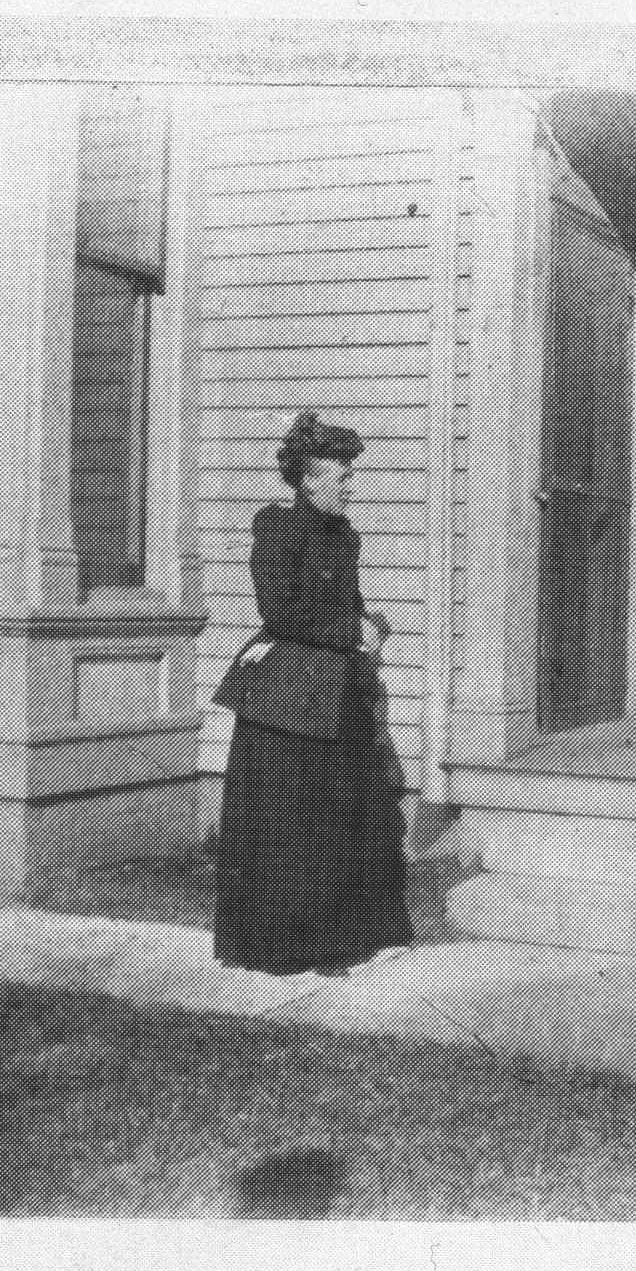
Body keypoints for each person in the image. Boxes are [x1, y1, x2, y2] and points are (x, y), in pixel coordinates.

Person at [209, 412, 413, 976]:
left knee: (343, 814)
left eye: (351, 475)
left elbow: (343, 605)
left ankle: (345, 938)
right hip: (290, 695)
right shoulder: (277, 527)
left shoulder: (344, 534)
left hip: (337, 687)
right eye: (337, 476)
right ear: (303, 478)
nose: (349, 485)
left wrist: (369, 622)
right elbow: (278, 613)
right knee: (289, 823)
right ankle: (281, 945)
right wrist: (354, 630)